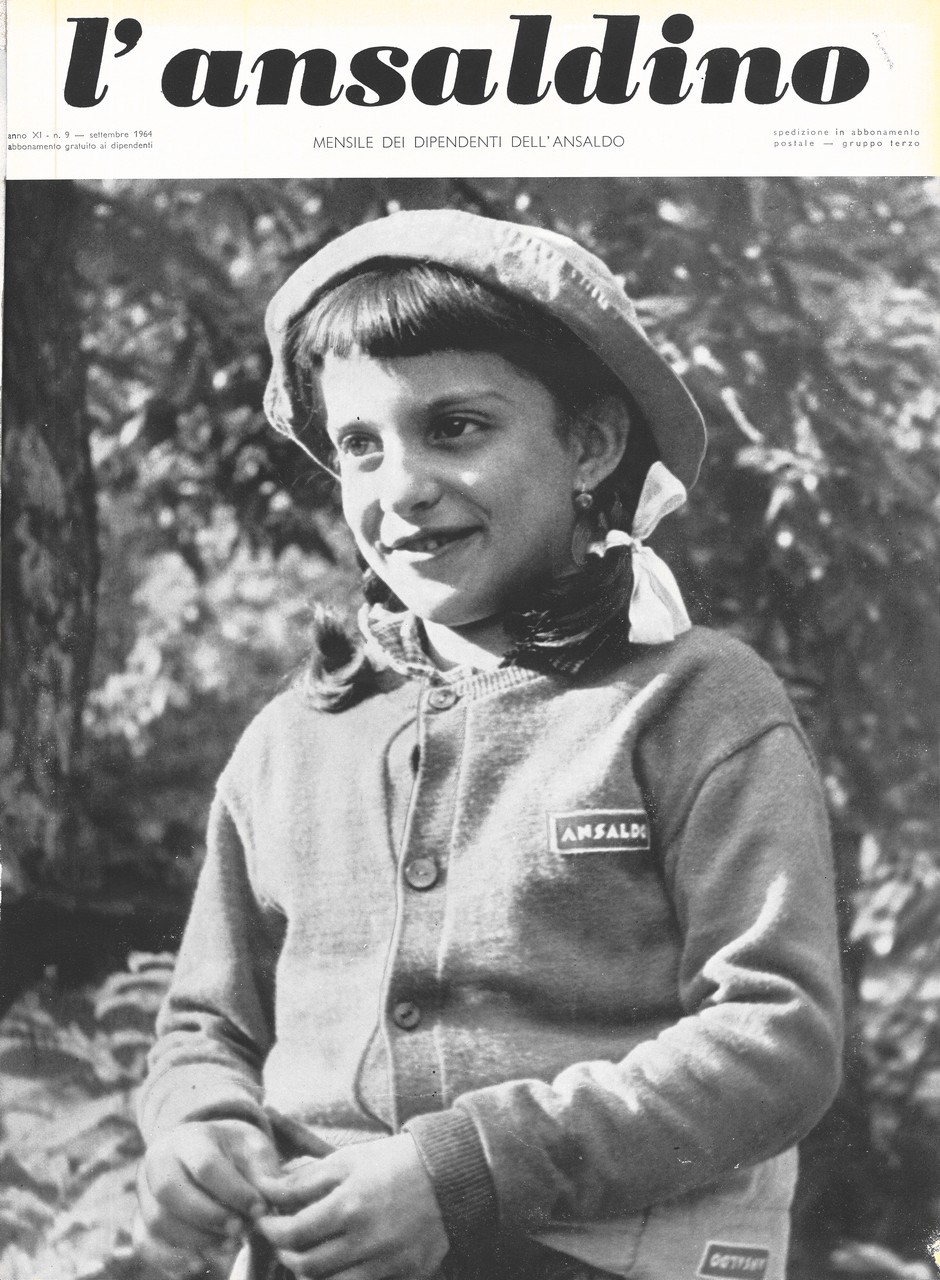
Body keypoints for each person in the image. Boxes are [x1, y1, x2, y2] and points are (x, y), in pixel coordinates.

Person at [135, 208, 844, 1280]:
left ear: (591, 444)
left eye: (457, 427)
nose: (401, 485)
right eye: (360, 445)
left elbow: (775, 1036)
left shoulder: (694, 703)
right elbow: (209, 1023)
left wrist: (462, 1171)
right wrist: (200, 1125)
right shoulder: (292, 739)